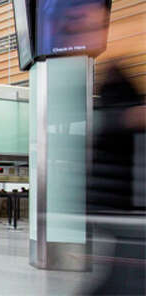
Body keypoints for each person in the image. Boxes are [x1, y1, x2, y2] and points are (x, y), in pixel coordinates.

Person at [84, 63, 145, 295]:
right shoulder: (122, 114)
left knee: (120, 271)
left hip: (113, 208)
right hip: (124, 210)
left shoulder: (106, 114)